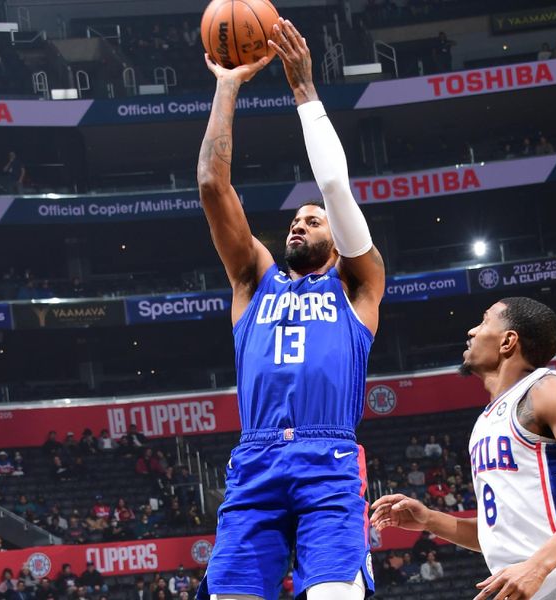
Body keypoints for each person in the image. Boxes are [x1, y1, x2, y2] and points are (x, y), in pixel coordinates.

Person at [195, 17, 385, 600]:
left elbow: (336, 188)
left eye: (312, 220)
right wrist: (227, 83)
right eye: (294, 220)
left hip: (327, 460)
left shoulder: (358, 285)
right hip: (255, 460)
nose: (298, 224)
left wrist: (305, 93)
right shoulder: (255, 280)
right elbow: (211, 183)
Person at [372, 297, 556, 599]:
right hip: (532, 588)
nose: (471, 330)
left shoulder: (547, 390)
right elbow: (502, 534)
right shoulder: (485, 421)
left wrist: (537, 567)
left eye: (483, 321)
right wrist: (430, 519)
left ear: (508, 341)